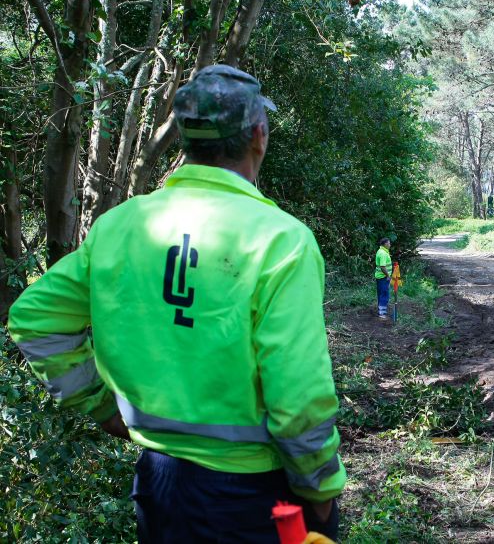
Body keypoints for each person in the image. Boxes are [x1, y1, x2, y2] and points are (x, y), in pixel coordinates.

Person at [7, 65, 345, 542]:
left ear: (185, 139)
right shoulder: (280, 240)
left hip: (158, 485)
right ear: (258, 136)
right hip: (253, 497)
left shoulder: (120, 227)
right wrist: (321, 493)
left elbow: (34, 320)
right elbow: (298, 397)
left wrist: (102, 408)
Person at [374, 238, 392, 319]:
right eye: (388, 243)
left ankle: (380, 310)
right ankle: (382, 314)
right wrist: (388, 275)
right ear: (385, 244)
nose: (390, 245)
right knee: (384, 294)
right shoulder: (383, 253)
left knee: (380, 293)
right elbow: (382, 266)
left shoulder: (380, 251)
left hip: (379, 276)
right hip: (383, 277)